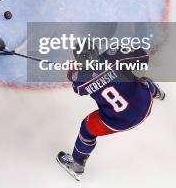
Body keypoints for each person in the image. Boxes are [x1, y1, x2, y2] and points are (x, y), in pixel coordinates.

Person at [56, 47, 166, 180]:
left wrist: (76, 70)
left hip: (118, 121)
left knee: (87, 129)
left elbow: (78, 89)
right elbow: (143, 58)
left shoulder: (81, 80)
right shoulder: (113, 56)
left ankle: (77, 164)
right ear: (96, 50)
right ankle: (157, 92)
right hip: (145, 105)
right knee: (142, 82)